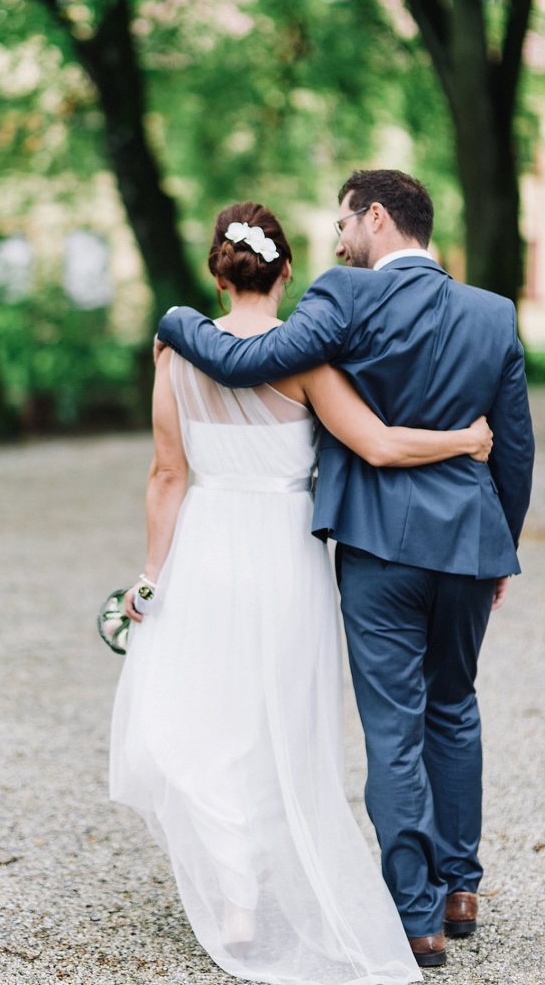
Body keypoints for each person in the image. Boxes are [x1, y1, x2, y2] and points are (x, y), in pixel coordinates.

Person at [155, 173, 535, 970]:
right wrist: (497, 543)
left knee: (393, 726)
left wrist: (176, 319)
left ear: (377, 217)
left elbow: (243, 358)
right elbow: (516, 442)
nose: (334, 241)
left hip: (377, 547)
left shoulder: (345, 298)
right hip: (469, 542)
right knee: (455, 705)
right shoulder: (495, 313)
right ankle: (462, 884)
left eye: (341, 223)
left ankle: (417, 915)